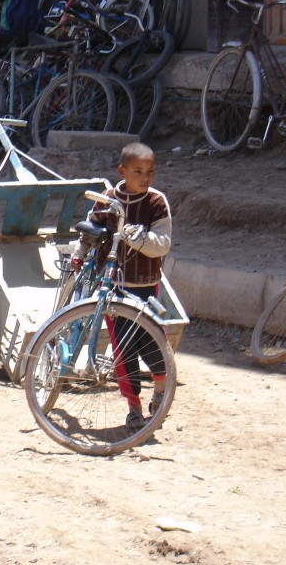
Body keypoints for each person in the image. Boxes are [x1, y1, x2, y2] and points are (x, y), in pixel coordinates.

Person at [89, 141, 172, 430]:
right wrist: (78, 254)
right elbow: (91, 229)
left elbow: (162, 244)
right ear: (122, 171)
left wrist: (141, 239)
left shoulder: (156, 202)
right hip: (114, 285)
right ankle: (134, 407)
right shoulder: (108, 198)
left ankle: (160, 390)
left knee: (152, 343)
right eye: (138, 172)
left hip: (145, 285)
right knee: (123, 348)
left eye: (150, 172)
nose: (145, 178)